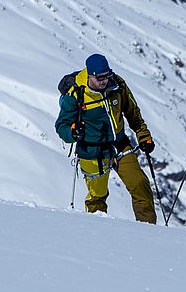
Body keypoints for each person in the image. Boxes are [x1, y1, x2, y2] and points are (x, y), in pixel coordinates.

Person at [56, 53, 157, 221]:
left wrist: (143, 136)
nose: (104, 81)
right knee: (97, 197)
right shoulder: (76, 95)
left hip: (119, 145)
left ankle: (148, 230)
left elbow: (133, 114)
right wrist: (72, 133)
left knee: (140, 184)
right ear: (89, 75)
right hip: (92, 151)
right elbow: (61, 125)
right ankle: (99, 235)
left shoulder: (117, 85)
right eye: (100, 78)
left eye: (107, 76)